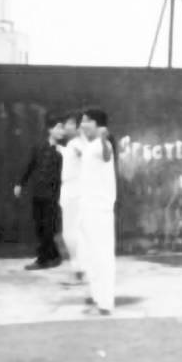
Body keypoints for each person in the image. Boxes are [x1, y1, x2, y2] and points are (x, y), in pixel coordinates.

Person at [13, 113, 66, 270]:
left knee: (49, 227)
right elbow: (29, 165)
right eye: (58, 128)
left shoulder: (64, 150)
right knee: (40, 226)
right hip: (38, 192)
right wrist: (20, 183)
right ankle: (53, 256)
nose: (61, 131)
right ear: (50, 129)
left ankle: (43, 259)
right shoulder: (39, 147)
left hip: (54, 194)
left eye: (63, 128)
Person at [78, 107, 117, 316]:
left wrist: (103, 139)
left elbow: (106, 155)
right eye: (82, 121)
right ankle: (97, 298)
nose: (83, 125)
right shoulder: (89, 146)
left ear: (98, 125)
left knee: (102, 256)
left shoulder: (103, 144)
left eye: (87, 121)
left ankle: (105, 303)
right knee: (91, 256)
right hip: (87, 208)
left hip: (99, 210)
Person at [59, 111, 85, 284]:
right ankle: (78, 269)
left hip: (75, 190)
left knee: (73, 232)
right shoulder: (71, 145)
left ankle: (80, 269)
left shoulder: (78, 143)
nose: (65, 126)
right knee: (71, 232)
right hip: (70, 189)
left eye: (68, 123)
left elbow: (85, 155)